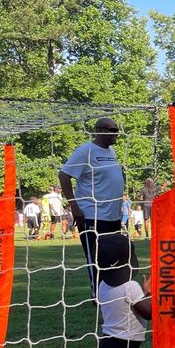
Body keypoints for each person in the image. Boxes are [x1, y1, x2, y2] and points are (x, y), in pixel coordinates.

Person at [59, 117, 124, 301]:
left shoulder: (111, 151)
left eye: (116, 130)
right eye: (112, 130)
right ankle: (98, 295)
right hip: (92, 215)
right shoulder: (85, 151)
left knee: (114, 257)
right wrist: (74, 206)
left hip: (112, 216)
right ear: (100, 130)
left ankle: (113, 293)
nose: (115, 134)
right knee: (96, 258)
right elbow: (64, 175)